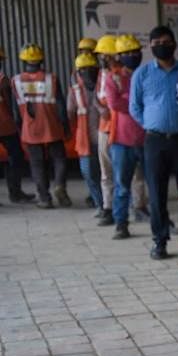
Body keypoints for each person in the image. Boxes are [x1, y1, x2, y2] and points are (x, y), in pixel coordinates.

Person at [131, 25, 178, 261]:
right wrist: (152, 124)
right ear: (150, 46)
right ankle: (160, 241)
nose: (161, 45)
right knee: (156, 194)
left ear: (175, 44)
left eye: (166, 41)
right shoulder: (142, 74)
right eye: (156, 42)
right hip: (155, 141)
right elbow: (134, 107)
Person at [14, 43, 70, 209]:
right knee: (59, 158)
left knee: (37, 163)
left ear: (24, 60)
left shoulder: (15, 81)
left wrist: (20, 128)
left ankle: (45, 198)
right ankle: (59, 185)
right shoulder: (51, 78)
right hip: (51, 125)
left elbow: (15, 110)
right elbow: (60, 104)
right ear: (41, 60)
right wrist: (65, 125)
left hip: (30, 128)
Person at [106, 35, 146, 240]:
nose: (132, 56)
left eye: (135, 52)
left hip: (146, 138)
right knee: (122, 186)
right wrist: (137, 102)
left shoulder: (146, 73)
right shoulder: (112, 78)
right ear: (119, 56)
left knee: (152, 184)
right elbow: (115, 104)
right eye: (127, 53)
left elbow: (151, 101)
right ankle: (121, 223)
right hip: (122, 141)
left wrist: (129, 100)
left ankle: (156, 218)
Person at [68, 52, 104, 213]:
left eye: (91, 69)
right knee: (89, 174)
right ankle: (100, 204)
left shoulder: (104, 84)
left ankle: (109, 205)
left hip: (106, 137)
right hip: (85, 140)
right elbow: (70, 111)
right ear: (78, 72)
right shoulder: (75, 90)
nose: (88, 72)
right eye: (84, 69)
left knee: (108, 174)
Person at [0, 45, 35, 204]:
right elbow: (10, 103)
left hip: (6, 125)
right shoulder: (3, 81)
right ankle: (15, 193)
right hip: (6, 126)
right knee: (16, 157)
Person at [93, 35, 117, 222]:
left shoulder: (122, 73)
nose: (102, 58)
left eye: (104, 55)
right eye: (100, 55)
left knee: (131, 172)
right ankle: (108, 207)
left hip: (121, 129)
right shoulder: (101, 74)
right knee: (106, 171)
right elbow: (96, 97)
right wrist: (101, 109)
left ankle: (137, 205)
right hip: (104, 128)